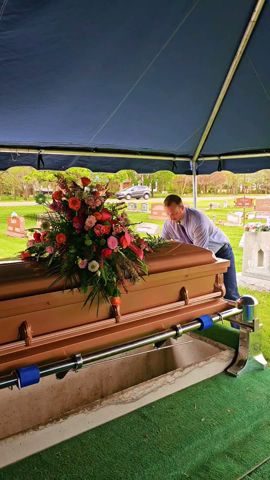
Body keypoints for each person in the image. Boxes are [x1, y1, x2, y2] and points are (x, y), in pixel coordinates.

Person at [161, 195, 239, 303]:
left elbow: (199, 254)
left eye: (174, 213)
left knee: (230, 294)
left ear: (182, 208)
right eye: (168, 214)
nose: (171, 218)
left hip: (221, 252)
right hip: (201, 254)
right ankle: (210, 319)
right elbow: (162, 245)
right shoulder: (169, 223)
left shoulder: (198, 221)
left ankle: (240, 318)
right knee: (208, 294)